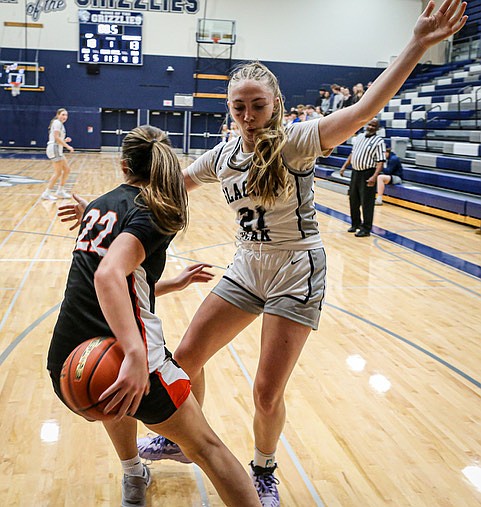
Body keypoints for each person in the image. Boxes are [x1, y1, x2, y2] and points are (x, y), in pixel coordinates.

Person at [62, 4, 467, 505]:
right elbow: (163, 187)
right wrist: (104, 206)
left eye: (257, 105)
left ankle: (265, 469)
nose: (248, 116)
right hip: (246, 267)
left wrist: (418, 44)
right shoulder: (223, 153)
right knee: (186, 358)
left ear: (274, 104)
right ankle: (178, 442)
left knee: (264, 391)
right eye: (238, 107)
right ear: (229, 109)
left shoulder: (298, 140)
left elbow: (363, 112)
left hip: (296, 270)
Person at [48, 125, 262, 507]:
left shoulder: (100, 205)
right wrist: (133, 354)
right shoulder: (155, 212)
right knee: (207, 448)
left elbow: (118, 279)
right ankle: (149, 461)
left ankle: (133, 472)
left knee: (112, 394)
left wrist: (168, 284)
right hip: (124, 352)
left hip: (67, 353)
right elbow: (109, 274)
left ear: (124, 164)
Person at [340, 118, 386, 237]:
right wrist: (344, 166)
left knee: (367, 203)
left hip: (368, 174)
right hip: (355, 172)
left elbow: (380, 161)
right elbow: (352, 153)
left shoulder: (379, 142)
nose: (370, 127)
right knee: (353, 200)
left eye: (373, 126)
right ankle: (355, 224)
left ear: (377, 128)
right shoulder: (359, 137)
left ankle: (366, 228)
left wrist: (374, 177)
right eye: (370, 124)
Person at [42, 108, 74, 200]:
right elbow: (56, 138)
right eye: (63, 114)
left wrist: (64, 140)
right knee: (58, 172)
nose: (65, 117)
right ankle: (46, 193)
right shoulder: (57, 123)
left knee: (67, 170)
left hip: (58, 149)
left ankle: (60, 190)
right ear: (58, 115)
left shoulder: (60, 124)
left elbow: (57, 138)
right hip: (54, 149)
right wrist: (67, 146)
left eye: (66, 115)